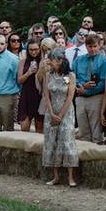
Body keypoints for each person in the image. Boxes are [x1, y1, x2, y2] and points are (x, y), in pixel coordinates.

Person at [42, 48, 79, 187]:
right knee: (52, 141)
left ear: (59, 61)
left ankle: (70, 177)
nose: (49, 62)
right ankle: (55, 176)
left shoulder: (71, 76)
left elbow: (70, 97)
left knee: (67, 141)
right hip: (51, 112)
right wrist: (52, 114)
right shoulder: (48, 75)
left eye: (51, 60)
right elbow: (47, 95)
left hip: (66, 112)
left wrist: (60, 115)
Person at [73, 33, 106, 144]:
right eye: (90, 46)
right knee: (83, 129)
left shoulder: (104, 61)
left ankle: (97, 153)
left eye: (95, 46)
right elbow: (72, 76)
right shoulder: (78, 60)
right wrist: (81, 86)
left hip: (96, 97)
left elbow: (104, 82)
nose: (93, 49)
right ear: (86, 46)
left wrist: (88, 90)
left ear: (99, 46)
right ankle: (85, 152)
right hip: (80, 97)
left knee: (96, 130)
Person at [17, 39, 45, 134]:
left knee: (40, 129)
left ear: (40, 49)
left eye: (36, 49)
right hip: (26, 95)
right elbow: (19, 80)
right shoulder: (23, 62)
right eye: (31, 50)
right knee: (24, 128)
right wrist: (29, 72)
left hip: (39, 95)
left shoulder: (43, 62)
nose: (33, 52)